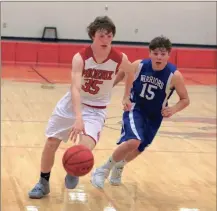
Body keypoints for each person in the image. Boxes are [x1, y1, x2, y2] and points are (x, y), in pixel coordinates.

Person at [28, 16, 134, 199]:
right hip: (72, 104)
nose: (106, 40)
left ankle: (73, 169)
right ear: (93, 36)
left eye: (109, 36)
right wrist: (78, 118)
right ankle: (43, 182)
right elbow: (75, 88)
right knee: (52, 142)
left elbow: (130, 70)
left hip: (96, 109)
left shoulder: (118, 57)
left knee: (83, 149)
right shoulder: (81, 58)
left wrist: (124, 93)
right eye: (102, 36)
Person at [91, 35, 190, 189]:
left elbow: (185, 99)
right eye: (155, 53)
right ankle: (103, 170)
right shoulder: (139, 65)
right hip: (135, 108)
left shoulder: (174, 75)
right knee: (133, 141)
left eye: (163, 54)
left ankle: (119, 166)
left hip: (155, 115)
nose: (159, 57)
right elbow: (124, 71)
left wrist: (173, 109)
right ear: (149, 53)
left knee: (139, 148)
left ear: (168, 55)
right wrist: (110, 85)